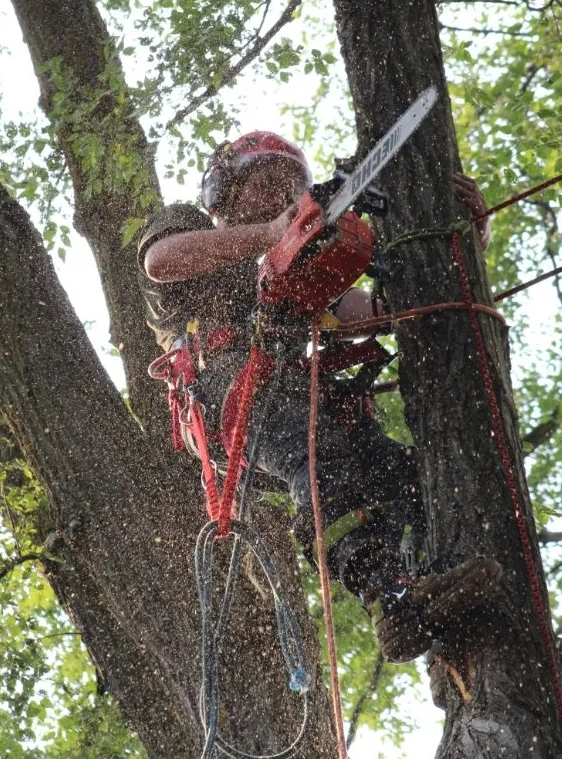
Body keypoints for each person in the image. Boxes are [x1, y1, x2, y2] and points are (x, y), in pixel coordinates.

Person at [137, 131, 499, 663]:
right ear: (227, 192)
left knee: (399, 474)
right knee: (321, 462)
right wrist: (270, 232)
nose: (284, 196)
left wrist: (460, 239)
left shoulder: (295, 259)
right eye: (270, 183)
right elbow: (161, 261)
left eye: (292, 187)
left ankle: (433, 594)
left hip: (303, 393)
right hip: (229, 390)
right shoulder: (195, 229)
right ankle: (388, 596)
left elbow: (370, 310)